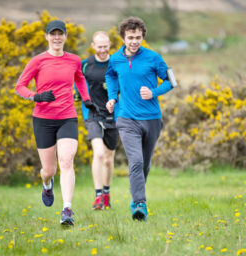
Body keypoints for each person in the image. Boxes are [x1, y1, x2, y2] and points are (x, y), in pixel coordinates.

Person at [15, 20, 98, 225]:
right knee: (48, 170)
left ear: (66, 37)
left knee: (67, 161)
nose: (57, 37)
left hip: (67, 117)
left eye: (61, 34)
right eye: (53, 34)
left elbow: (79, 79)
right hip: (43, 120)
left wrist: (86, 99)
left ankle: (67, 209)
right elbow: (20, 86)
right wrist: (37, 97)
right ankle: (46, 184)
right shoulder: (37, 61)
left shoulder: (74, 60)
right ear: (47, 37)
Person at [105, 17, 175, 221]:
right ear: (123, 38)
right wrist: (112, 96)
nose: (134, 41)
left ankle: (135, 197)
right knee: (135, 161)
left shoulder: (153, 57)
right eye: (130, 37)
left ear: (143, 37)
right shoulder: (115, 59)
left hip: (152, 118)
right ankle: (140, 204)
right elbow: (110, 76)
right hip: (126, 118)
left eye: (138, 37)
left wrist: (154, 92)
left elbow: (172, 81)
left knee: (144, 164)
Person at [74, 31, 119, 210]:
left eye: (105, 46)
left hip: (114, 115)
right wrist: (78, 94)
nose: (102, 49)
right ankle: (98, 196)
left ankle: (107, 193)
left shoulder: (116, 64)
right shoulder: (85, 65)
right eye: (99, 46)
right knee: (99, 154)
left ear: (109, 45)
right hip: (92, 114)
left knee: (108, 160)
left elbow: (124, 85)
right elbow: (77, 82)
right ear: (93, 45)